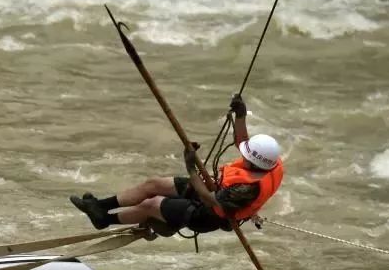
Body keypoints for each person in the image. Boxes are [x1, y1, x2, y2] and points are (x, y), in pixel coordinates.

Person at [70, 94, 284, 238]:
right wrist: (241, 115)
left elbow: (210, 200)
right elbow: (242, 142)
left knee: (152, 204)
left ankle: (105, 220)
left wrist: (190, 167)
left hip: (207, 214)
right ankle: (99, 206)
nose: (243, 153)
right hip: (213, 189)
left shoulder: (248, 188)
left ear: (255, 162)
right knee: (153, 184)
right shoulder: (269, 161)